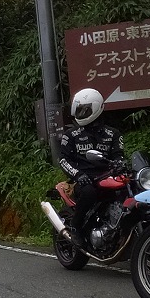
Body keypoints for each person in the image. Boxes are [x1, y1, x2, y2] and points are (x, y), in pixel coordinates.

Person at [55, 87, 124, 246]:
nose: (81, 113)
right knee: (89, 192)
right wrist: (78, 175)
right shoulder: (71, 135)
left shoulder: (113, 134)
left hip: (108, 179)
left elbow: (119, 156)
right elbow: (63, 160)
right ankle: (76, 227)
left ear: (97, 107)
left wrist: (120, 165)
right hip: (84, 181)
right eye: (79, 110)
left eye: (85, 110)